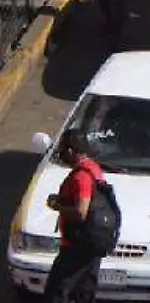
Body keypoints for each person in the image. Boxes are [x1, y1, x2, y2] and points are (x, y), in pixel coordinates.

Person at [43, 129, 105, 303]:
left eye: (63, 149)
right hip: (91, 244)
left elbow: (81, 212)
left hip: (76, 247)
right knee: (83, 294)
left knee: (57, 292)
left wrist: (58, 206)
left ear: (70, 151)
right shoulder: (94, 169)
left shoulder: (81, 177)